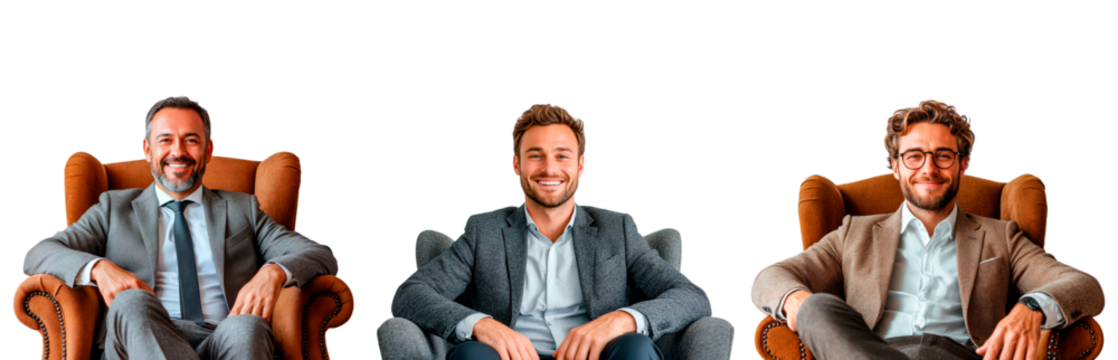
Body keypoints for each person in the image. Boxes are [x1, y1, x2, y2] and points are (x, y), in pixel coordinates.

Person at [749, 97, 1106, 360]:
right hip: (866, 352)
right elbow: (769, 277)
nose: (928, 169)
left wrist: (1032, 307)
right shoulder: (853, 234)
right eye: (914, 156)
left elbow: (1087, 286)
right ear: (896, 167)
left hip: (959, 356)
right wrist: (795, 299)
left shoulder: (1001, 237)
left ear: (963, 165)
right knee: (816, 308)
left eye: (943, 156)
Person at [20, 94, 341, 360]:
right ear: (146, 148)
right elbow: (39, 252)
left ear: (209, 150)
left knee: (249, 326)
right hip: (139, 340)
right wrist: (100, 268)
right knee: (130, 303)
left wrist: (274, 273)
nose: (178, 152)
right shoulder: (113, 209)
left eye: (191, 140)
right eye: (166, 140)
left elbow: (320, 253)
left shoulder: (243, 209)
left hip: (225, 337)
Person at [390, 102, 714, 360]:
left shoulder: (618, 229)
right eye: (536, 156)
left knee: (635, 347)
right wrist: (481, 325)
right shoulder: (483, 231)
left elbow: (692, 296)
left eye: (562, 156)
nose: (549, 168)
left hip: (600, 356)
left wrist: (622, 320)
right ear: (516, 164)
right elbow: (410, 295)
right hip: (508, 357)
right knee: (472, 352)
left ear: (580, 166)